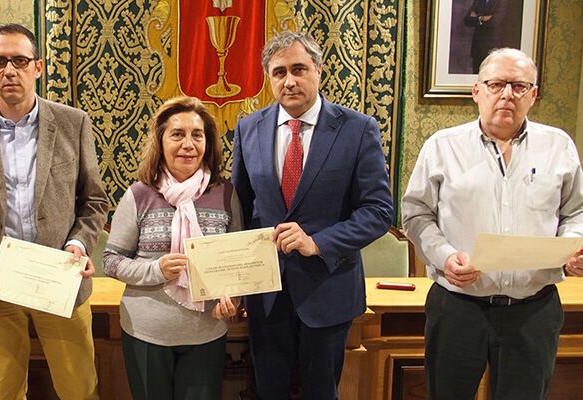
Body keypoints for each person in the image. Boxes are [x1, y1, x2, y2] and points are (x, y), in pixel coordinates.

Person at [0, 24, 108, 399]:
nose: (10, 70)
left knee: (80, 390)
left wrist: (78, 244)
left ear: (38, 67)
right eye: (0, 61)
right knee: (4, 393)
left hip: (59, 281)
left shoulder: (73, 123)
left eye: (20, 60)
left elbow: (93, 202)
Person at [402, 48, 583, 399]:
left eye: (518, 86)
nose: (506, 95)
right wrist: (444, 256)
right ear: (477, 91)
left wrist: (573, 245)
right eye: (497, 84)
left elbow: (576, 212)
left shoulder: (559, 146)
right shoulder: (443, 146)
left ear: (533, 94)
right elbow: (416, 214)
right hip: (458, 306)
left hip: (534, 308)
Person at [232, 31, 394, 399]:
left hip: (328, 288)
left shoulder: (357, 129)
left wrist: (317, 242)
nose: (289, 80)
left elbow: (379, 210)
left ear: (318, 70)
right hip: (266, 292)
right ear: (268, 78)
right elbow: (240, 208)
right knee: (268, 392)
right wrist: (234, 285)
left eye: (299, 69)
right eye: (279, 72)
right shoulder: (248, 128)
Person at [103, 96, 242, 400]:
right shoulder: (139, 195)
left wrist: (233, 297)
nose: (188, 144)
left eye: (197, 134)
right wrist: (156, 270)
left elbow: (238, 265)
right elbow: (111, 261)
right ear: (161, 141)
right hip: (146, 333)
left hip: (206, 332)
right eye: (177, 134)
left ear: (208, 142)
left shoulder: (225, 194)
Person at [463, 0, 521, 73]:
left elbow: (494, 22)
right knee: (476, 76)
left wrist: (476, 17)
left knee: (490, 76)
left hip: (492, 47)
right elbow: (467, 20)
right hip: (477, 48)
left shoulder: (502, 1)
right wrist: (481, 18)